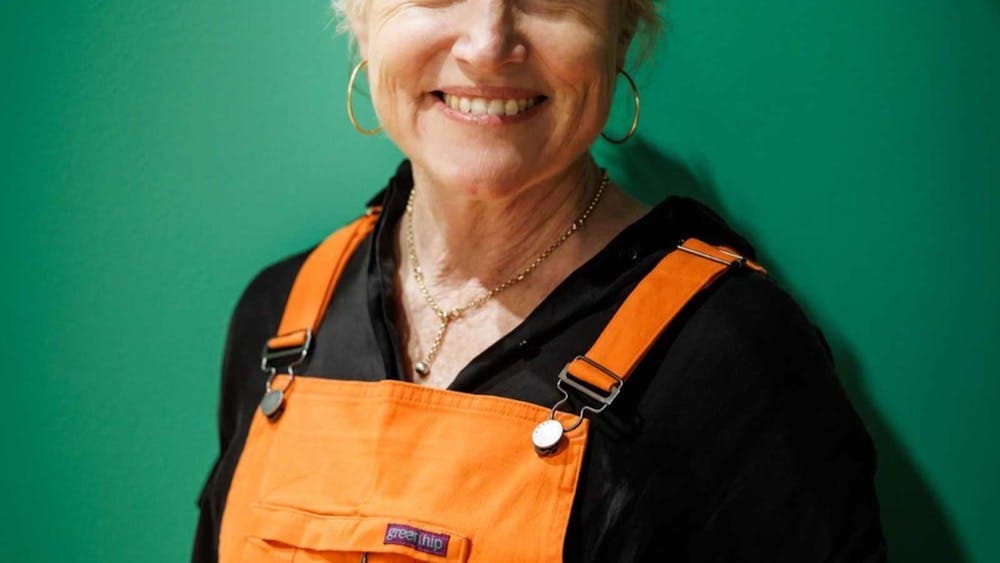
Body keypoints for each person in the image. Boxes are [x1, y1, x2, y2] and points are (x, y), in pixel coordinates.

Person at [192, 0, 887, 561]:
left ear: (624, 30)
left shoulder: (733, 358)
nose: (489, 42)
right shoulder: (278, 317)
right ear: (359, 18)